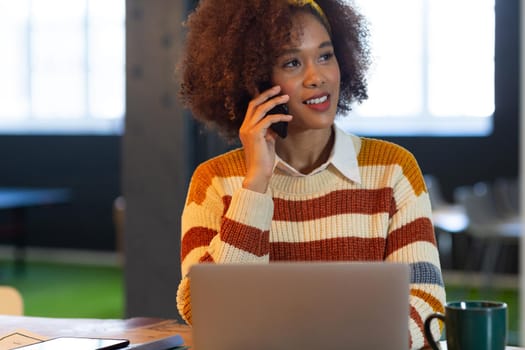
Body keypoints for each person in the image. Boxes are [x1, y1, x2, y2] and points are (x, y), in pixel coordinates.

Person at [175, 0, 445, 348]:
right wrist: (255, 185)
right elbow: (205, 310)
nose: (317, 77)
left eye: (325, 55)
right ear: (255, 81)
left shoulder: (392, 170)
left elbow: (427, 306)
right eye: (292, 62)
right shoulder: (213, 182)